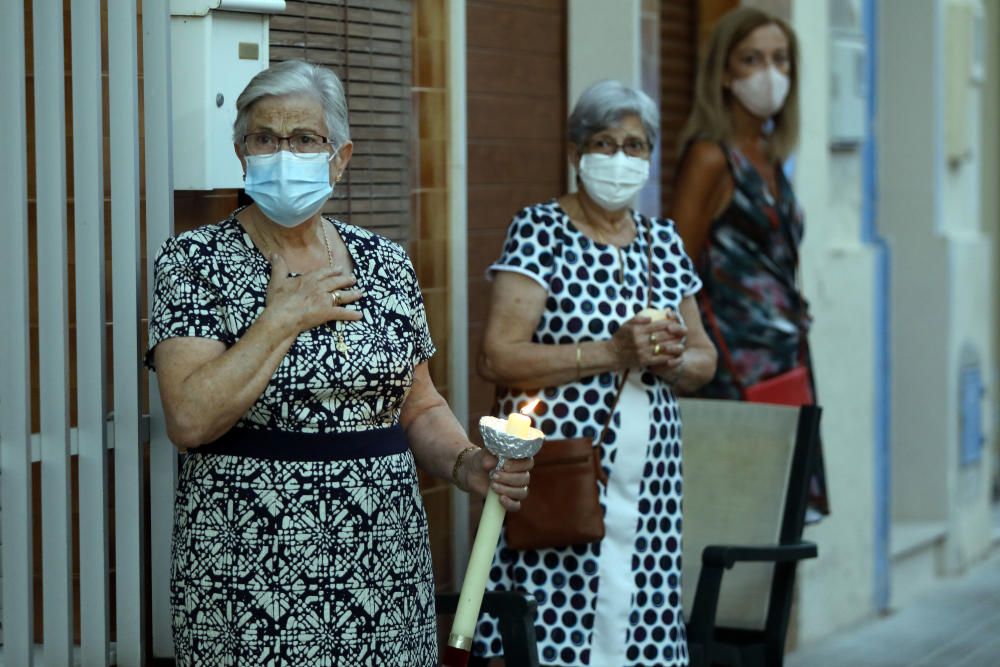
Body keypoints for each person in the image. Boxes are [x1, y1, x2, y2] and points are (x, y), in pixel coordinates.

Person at [146, 59, 532, 666]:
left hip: (384, 561)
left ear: (340, 156)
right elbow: (190, 419)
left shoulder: (384, 261)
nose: (283, 152)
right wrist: (280, 319)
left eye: (304, 138)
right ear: (241, 152)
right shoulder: (195, 260)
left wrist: (464, 465)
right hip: (251, 567)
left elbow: (419, 403)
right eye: (264, 138)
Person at [473, 79, 717, 667]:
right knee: (558, 629)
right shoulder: (541, 231)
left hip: (652, 485)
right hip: (565, 473)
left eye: (634, 146)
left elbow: (706, 359)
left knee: (641, 622)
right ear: (576, 151)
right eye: (604, 143)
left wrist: (674, 359)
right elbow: (498, 356)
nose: (620, 159)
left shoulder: (662, 241)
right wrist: (614, 352)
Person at [670, 7, 829, 515]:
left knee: (779, 514)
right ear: (724, 73)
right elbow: (675, 268)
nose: (770, 73)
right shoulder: (710, 157)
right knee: (738, 512)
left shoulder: (771, 153)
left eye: (781, 59)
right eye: (752, 59)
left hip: (783, 356)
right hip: (732, 368)